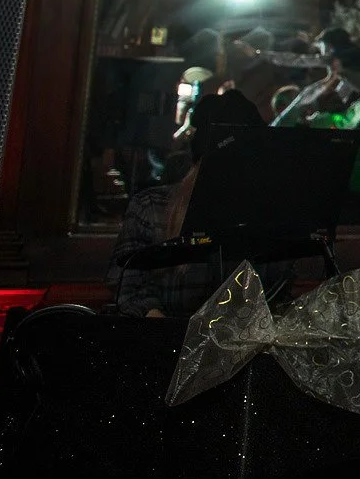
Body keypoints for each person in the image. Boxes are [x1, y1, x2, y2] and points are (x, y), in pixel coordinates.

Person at [106, 89, 263, 317]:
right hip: (166, 345)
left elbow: (276, 291)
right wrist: (161, 326)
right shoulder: (151, 207)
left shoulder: (262, 213)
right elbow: (126, 283)